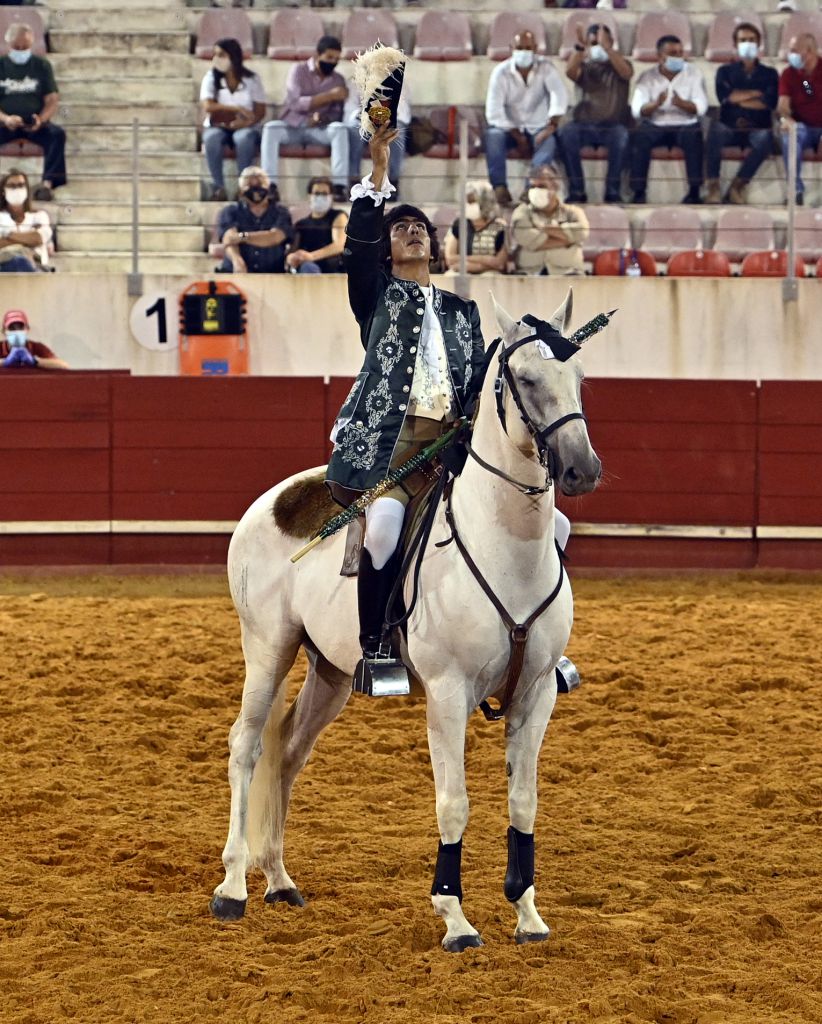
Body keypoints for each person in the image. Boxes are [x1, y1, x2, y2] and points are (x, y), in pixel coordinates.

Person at [325, 123, 485, 675]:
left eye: (421, 228)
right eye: (402, 228)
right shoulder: (374, 294)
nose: (414, 233)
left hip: (452, 449)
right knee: (386, 527)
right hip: (394, 446)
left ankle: (536, 644)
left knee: (540, 521)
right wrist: (378, 173)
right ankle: (376, 646)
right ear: (387, 249)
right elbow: (359, 249)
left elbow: (478, 380)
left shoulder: (464, 312)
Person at [484, 30, 568, 207]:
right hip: (508, 128)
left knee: (549, 143)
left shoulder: (546, 68)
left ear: (536, 48)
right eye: (520, 48)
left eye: (528, 48)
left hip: (538, 127)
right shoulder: (500, 72)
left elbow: (559, 95)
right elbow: (493, 112)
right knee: (493, 136)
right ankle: (499, 188)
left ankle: (530, 188)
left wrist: (551, 125)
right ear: (511, 48)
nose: (524, 52)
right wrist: (517, 135)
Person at [261, 35, 349, 203]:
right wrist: (329, 96)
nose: (332, 62)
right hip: (293, 126)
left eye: (336, 59)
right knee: (271, 128)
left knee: (340, 129)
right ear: (317, 55)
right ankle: (270, 186)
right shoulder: (298, 71)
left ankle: (339, 186)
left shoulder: (338, 79)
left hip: (319, 129)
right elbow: (295, 102)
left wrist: (323, 118)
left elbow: (337, 113)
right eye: (329, 57)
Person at [629, 34, 708, 204]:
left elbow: (701, 107)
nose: (679, 56)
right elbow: (637, 110)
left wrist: (681, 103)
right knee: (640, 135)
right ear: (660, 56)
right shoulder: (647, 77)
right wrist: (655, 104)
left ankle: (694, 191)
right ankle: (638, 192)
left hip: (685, 123)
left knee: (695, 134)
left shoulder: (693, 74)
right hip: (656, 123)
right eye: (673, 53)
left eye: (680, 52)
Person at [558, 23, 632, 204]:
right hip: (584, 125)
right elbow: (570, 72)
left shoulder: (621, 64)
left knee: (622, 136)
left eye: (602, 43)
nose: (598, 47)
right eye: (594, 44)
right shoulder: (585, 66)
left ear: (611, 42)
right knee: (566, 133)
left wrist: (608, 49)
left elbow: (627, 73)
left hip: (612, 126)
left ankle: (612, 192)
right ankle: (577, 191)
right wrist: (580, 50)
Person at [705, 23, 778, 205]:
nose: (747, 44)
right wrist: (755, 93)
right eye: (743, 40)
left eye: (752, 40)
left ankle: (738, 186)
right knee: (715, 131)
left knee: (767, 138)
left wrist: (738, 98)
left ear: (759, 44)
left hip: (759, 127)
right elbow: (726, 97)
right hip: (730, 126)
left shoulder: (772, 74)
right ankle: (713, 186)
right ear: (735, 45)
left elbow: (769, 103)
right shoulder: (725, 72)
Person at [0, 23, 66, 202]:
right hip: (5, 123)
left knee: (57, 135)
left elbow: (52, 99)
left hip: (34, 122)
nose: (21, 50)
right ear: (8, 44)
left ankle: (47, 184)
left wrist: (41, 119)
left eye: (25, 47)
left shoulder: (42, 65)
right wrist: (6, 118)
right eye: (17, 47)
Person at [200, 37, 266, 203]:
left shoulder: (252, 79)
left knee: (244, 139)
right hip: (219, 125)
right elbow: (208, 105)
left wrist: (246, 122)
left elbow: (260, 110)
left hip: (244, 125)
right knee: (211, 138)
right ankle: (218, 187)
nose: (217, 59)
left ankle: (243, 188)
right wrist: (236, 109)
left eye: (221, 55)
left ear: (233, 56)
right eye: (215, 55)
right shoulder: (211, 77)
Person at [509, 165, 589, 276]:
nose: (536, 191)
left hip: (568, 272)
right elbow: (526, 238)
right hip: (529, 273)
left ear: (555, 187)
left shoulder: (574, 212)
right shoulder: (521, 212)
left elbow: (582, 233)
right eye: (532, 187)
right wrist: (568, 240)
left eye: (541, 186)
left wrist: (543, 229)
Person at [216, 165, 292, 273]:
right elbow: (229, 239)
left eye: (260, 184)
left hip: (272, 274)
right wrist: (237, 260)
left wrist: (242, 236)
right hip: (236, 273)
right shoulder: (230, 211)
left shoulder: (281, 212)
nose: (256, 189)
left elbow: (274, 237)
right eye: (250, 185)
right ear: (241, 190)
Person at [344, 82, 411, 201]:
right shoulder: (356, 81)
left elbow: (403, 114)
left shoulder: (397, 81)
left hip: (388, 122)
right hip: (362, 121)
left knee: (397, 131)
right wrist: (367, 114)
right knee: (353, 129)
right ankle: (353, 180)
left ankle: (393, 181)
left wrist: (384, 116)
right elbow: (349, 111)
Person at [777, 33, 822, 207]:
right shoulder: (790, 73)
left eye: (795, 51)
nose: (791, 54)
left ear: (809, 51)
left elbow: (810, 92)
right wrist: (785, 118)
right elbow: (783, 104)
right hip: (803, 127)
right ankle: (795, 190)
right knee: (791, 136)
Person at [443, 180, 508, 275]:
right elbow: (450, 259)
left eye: (472, 202)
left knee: (489, 276)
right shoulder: (458, 225)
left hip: (489, 274)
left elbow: (499, 264)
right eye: (466, 202)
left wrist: (467, 263)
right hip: (463, 272)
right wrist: (486, 260)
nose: (467, 206)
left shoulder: (499, 227)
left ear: (484, 203)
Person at [286, 175, 347, 274]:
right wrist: (291, 258)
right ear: (309, 196)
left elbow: (340, 244)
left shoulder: (338, 216)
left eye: (324, 194)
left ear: (331, 197)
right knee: (308, 268)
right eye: (317, 193)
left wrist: (311, 256)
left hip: (334, 269)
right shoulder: (301, 224)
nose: (320, 197)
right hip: (307, 269)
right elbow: (292, 251)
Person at [0, 167, 52, 272]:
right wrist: (27, 240)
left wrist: (7, 234)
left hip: (36, 268)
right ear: (3, 191)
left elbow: (38, 238)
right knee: (18, 262)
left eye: (21, 185)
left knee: (22, 263)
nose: (17, 189)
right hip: (4, 266)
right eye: (12, 186)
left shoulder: (40, 215)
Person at [0, 309, 68, 369]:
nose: (17, 331)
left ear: (27, 329)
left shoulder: (36, 347)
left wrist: (35, 361)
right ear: (4, 331)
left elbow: (63, 365)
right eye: (12, 328)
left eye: (20, 328)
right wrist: (5, 361)